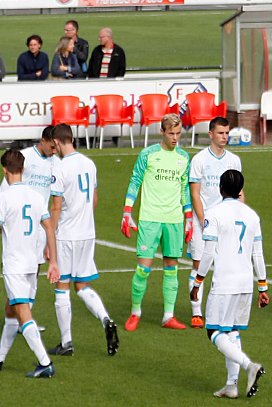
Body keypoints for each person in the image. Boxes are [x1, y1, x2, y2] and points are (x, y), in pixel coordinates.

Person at [0, 148, 60, 379]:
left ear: (4, 171)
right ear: (23, 169)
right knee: (11, 308)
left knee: (23, 313)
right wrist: (53, 261)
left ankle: (45, 363)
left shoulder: (2, 197)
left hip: (14, 265)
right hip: (32, 263)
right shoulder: (36, 197)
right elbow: (49, 228)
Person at [192, 169, 267, 399]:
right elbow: (258, 254)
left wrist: (198, 281)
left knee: (214, 331)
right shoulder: (252, 215)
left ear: (220, 189)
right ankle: (231, 385)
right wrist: (263, 286)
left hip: (224, 283)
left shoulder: (213, 214)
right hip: (246, 283)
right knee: (232, 331)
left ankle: (249, 366)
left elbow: (208, 253)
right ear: (240, 190)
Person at [47, 123, 118, 356]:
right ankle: (105, 318)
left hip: (66, 235)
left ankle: (66, 343)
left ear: (56, 142)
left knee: (62, 287)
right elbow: (94, 200)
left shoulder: (59, 168)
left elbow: (56, 208)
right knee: (82, 285)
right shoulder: (89, 163)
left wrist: (50, 239)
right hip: (87, 233)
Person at [121, 114, 192, 332]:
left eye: (178, 133)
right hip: (150, 219)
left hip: (174, 220)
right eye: (171, 133)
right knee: (143, 269)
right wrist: (127, 211)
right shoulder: (148, 154)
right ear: (162, 132)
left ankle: (168, 316)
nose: (175, 138)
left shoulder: (184, 157)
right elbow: (135, 181)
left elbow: (184, 188)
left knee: (172, 268)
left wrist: (189, 217)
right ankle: (135, 312)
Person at [187, 117, 243, 328]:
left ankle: (220, 312)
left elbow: (239, 191)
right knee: (199, 265)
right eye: (220, 133)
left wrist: (240, 216)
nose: (224, 137)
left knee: (225, 267)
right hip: (203, 222)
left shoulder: (234, 161)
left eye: (227, 133)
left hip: (227, 223)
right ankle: (196, 312)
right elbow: (195, 193)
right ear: (211, 134)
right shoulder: (199, 160)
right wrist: (204, 221)